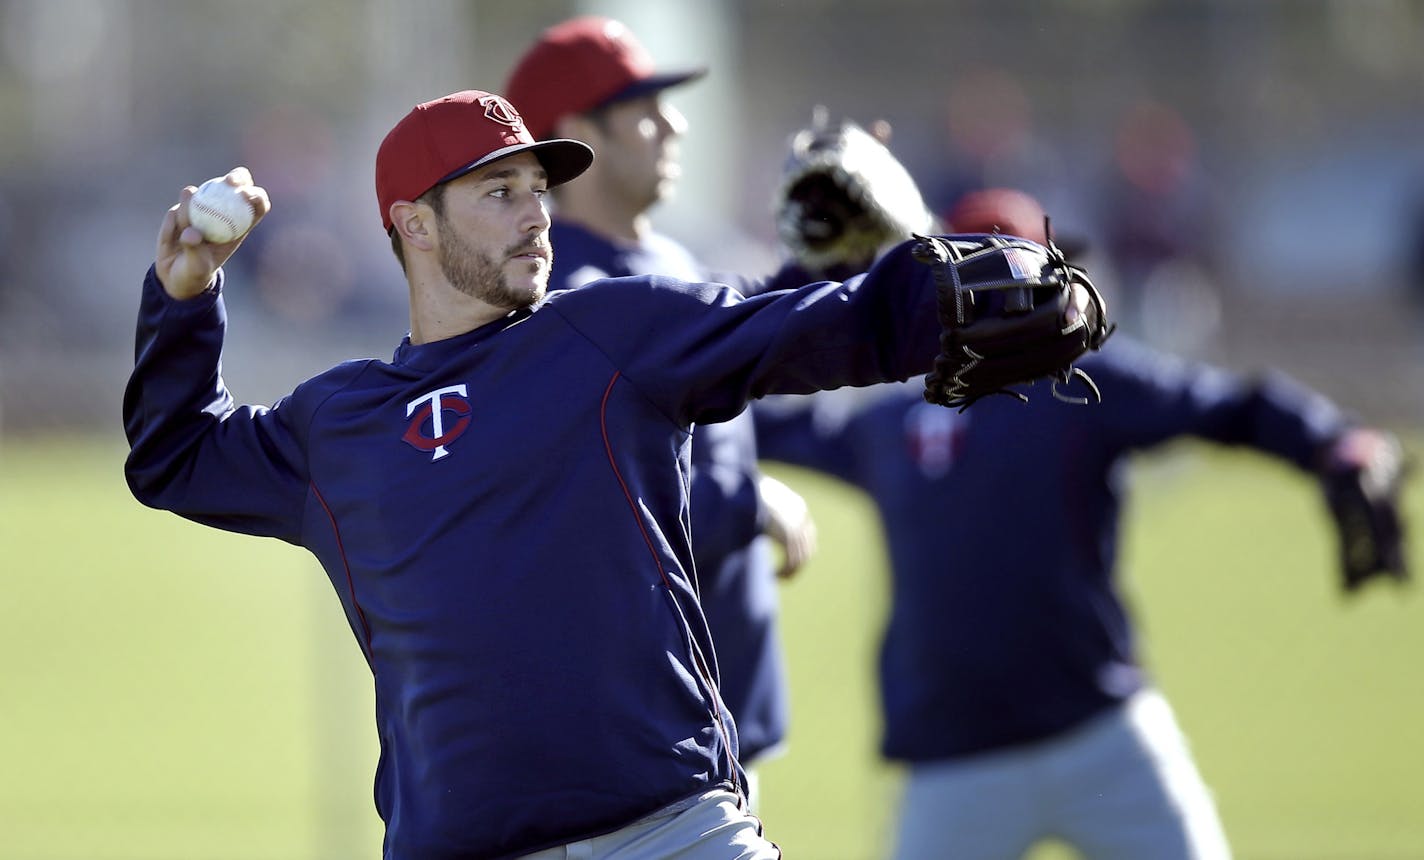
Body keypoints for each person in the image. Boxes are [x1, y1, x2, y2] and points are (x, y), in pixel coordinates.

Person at [123, 89, 1087, 858]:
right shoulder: (338, 423)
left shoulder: (607, 334)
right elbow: (178, 457)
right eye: (498, 194)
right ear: (414, 225)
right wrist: (185, 297)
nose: (536, 216)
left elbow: (807, 328)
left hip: (673, 834)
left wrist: (942, 293)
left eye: (539, 190)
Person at [753, 189, 1406, 860]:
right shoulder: (900, 420)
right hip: (957, 756)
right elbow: (757, 425)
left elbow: (1228, 409)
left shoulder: (1080, 386)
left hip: (1096, 729)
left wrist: (1330, 438)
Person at [503, 16, 815, 805]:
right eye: (642, 108)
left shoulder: (670, 264)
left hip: (716, 718)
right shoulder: (553, 302)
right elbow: (592, 506)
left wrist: (832, 259)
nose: (672, 124)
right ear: (578, 133)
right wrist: (748, 500)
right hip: (633, 742)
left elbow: (731, 412)